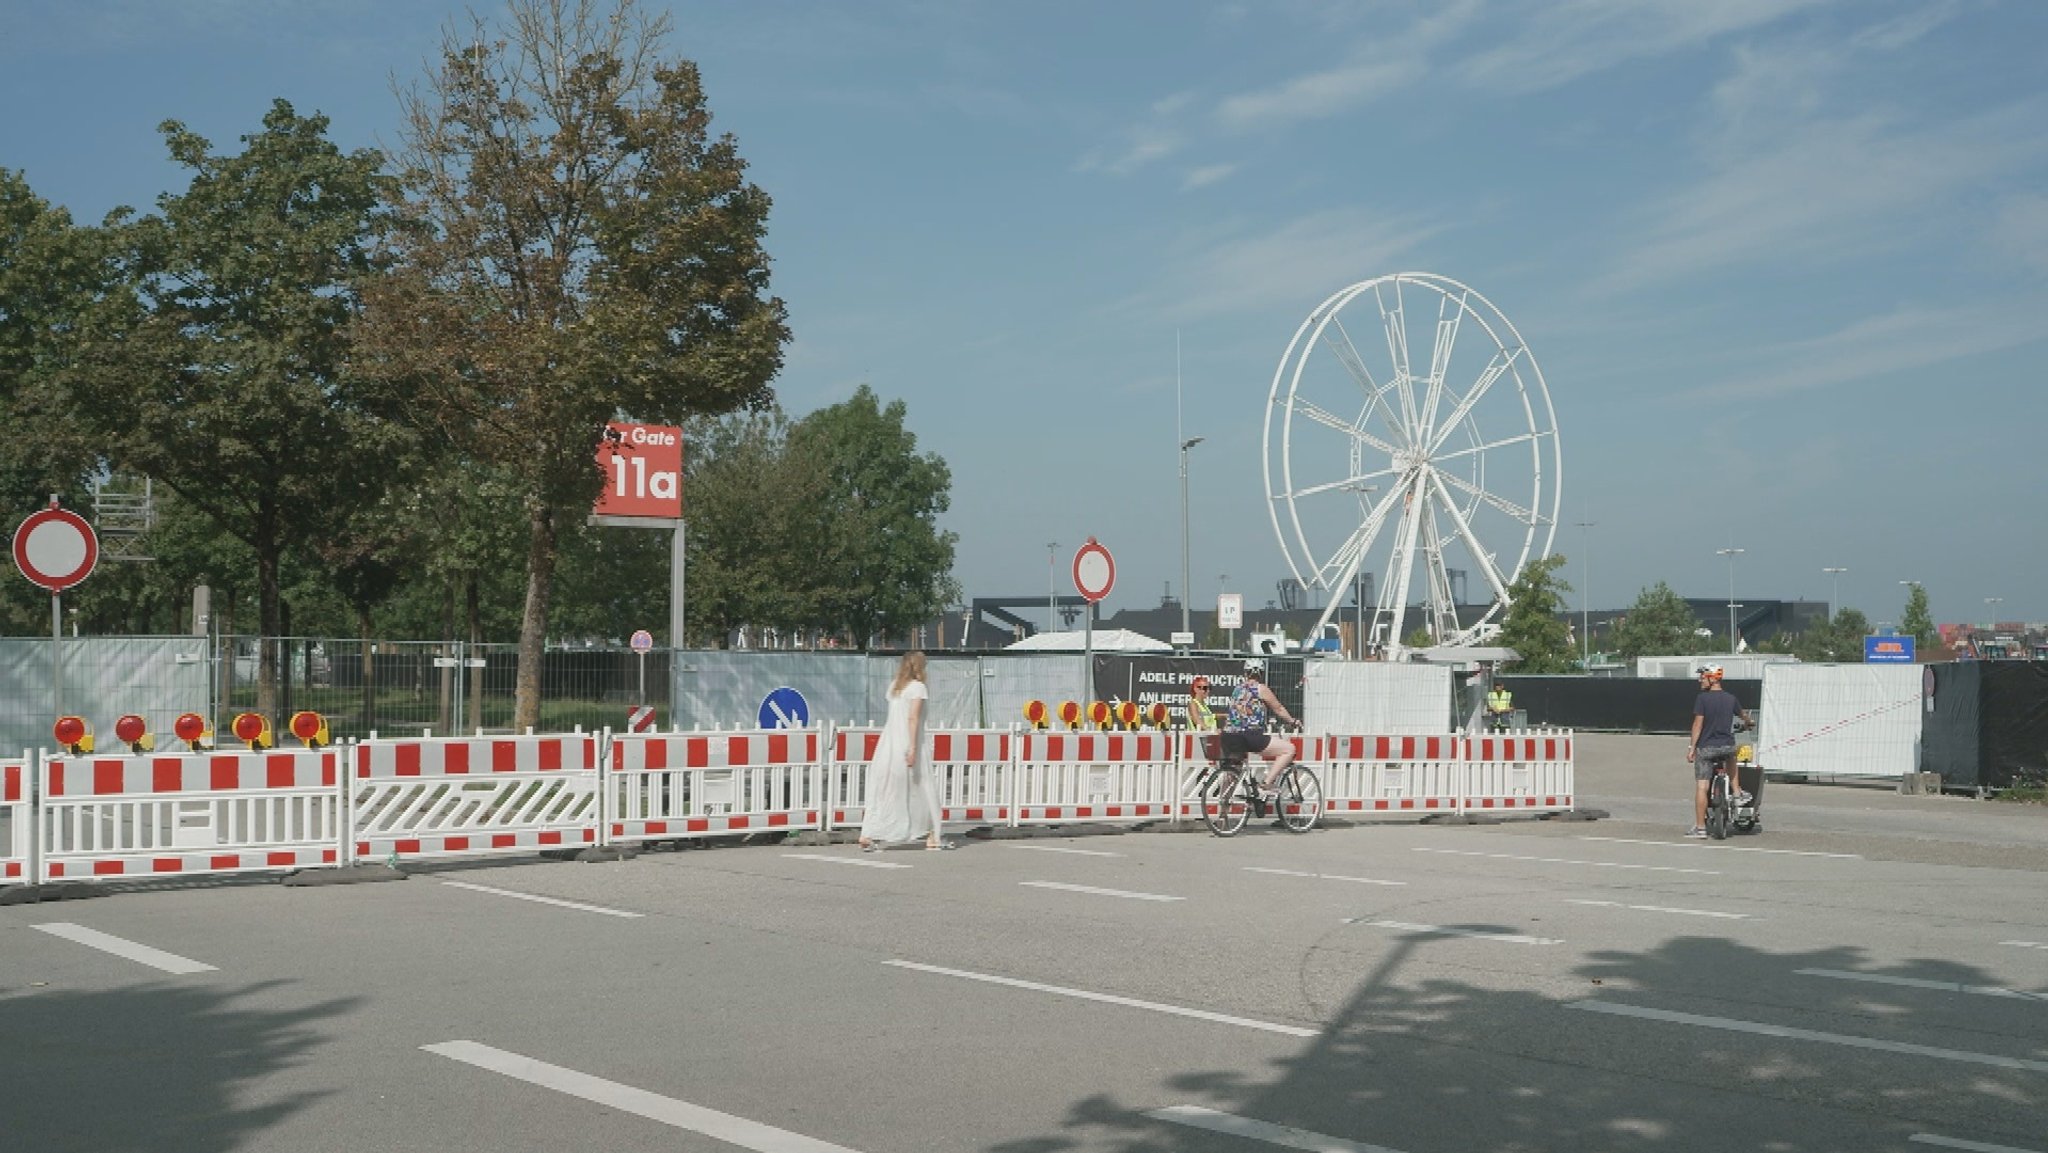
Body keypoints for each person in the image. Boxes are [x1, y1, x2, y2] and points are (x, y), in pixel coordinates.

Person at [859, 651, 953, 852]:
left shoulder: (895, 687)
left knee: (886, 789)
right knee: (922, 788)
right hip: (908, 742)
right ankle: (932, 834)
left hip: (888, 743)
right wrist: (913, 747)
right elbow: (913, 718)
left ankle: (869, 832)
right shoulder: (918, 688)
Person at [1685, 664, 1752, 837]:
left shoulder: (1702, 699)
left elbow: (1698, 724)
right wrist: (1748, 723)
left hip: (1706, 749)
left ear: (1713, 678)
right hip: (1726, 746)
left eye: (1703, 676)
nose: (1700, 679)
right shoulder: (1731, 698)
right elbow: (1744, 715)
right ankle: (1737, 794)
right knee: (1731, 755)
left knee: (1702, 786)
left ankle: (1700, 828)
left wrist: (1692, 748)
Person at [1224, 659, 1302, 797]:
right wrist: (1292, 721)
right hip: (1250, 736)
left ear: (1245, 673)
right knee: (1289, 749)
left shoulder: (1237, 690)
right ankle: (1266, 783)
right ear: (1261, 673)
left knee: (1233, 772)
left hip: (1230, 736)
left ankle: (1223, 810)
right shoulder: (1261, 688)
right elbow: (1278, 708)